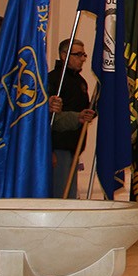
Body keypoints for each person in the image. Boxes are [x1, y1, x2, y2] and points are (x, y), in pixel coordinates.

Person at [47, 38, 96, 198]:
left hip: (74, 146)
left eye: (84, 55)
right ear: (64, 55)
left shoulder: (80, 82)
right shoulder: (54, 79)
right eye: (78, 54)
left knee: (70, 194)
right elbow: (49, 118)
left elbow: (83, 108)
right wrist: (49, 150)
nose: (82, 59)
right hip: (58, 147)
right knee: (60, 194)